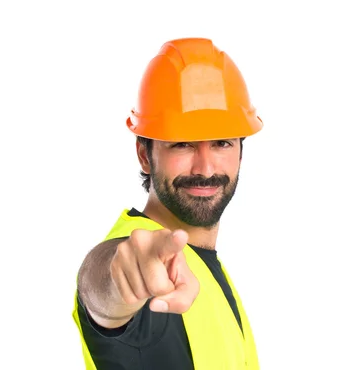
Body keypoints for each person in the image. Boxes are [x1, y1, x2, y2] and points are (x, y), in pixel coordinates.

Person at [72, 37, 264, 370]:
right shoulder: (147, 260)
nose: (205, 169)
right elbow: (104, 283)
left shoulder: (205, 266)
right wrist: (123, 278)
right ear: (145, 155)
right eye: (182, 145)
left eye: (221, 143)